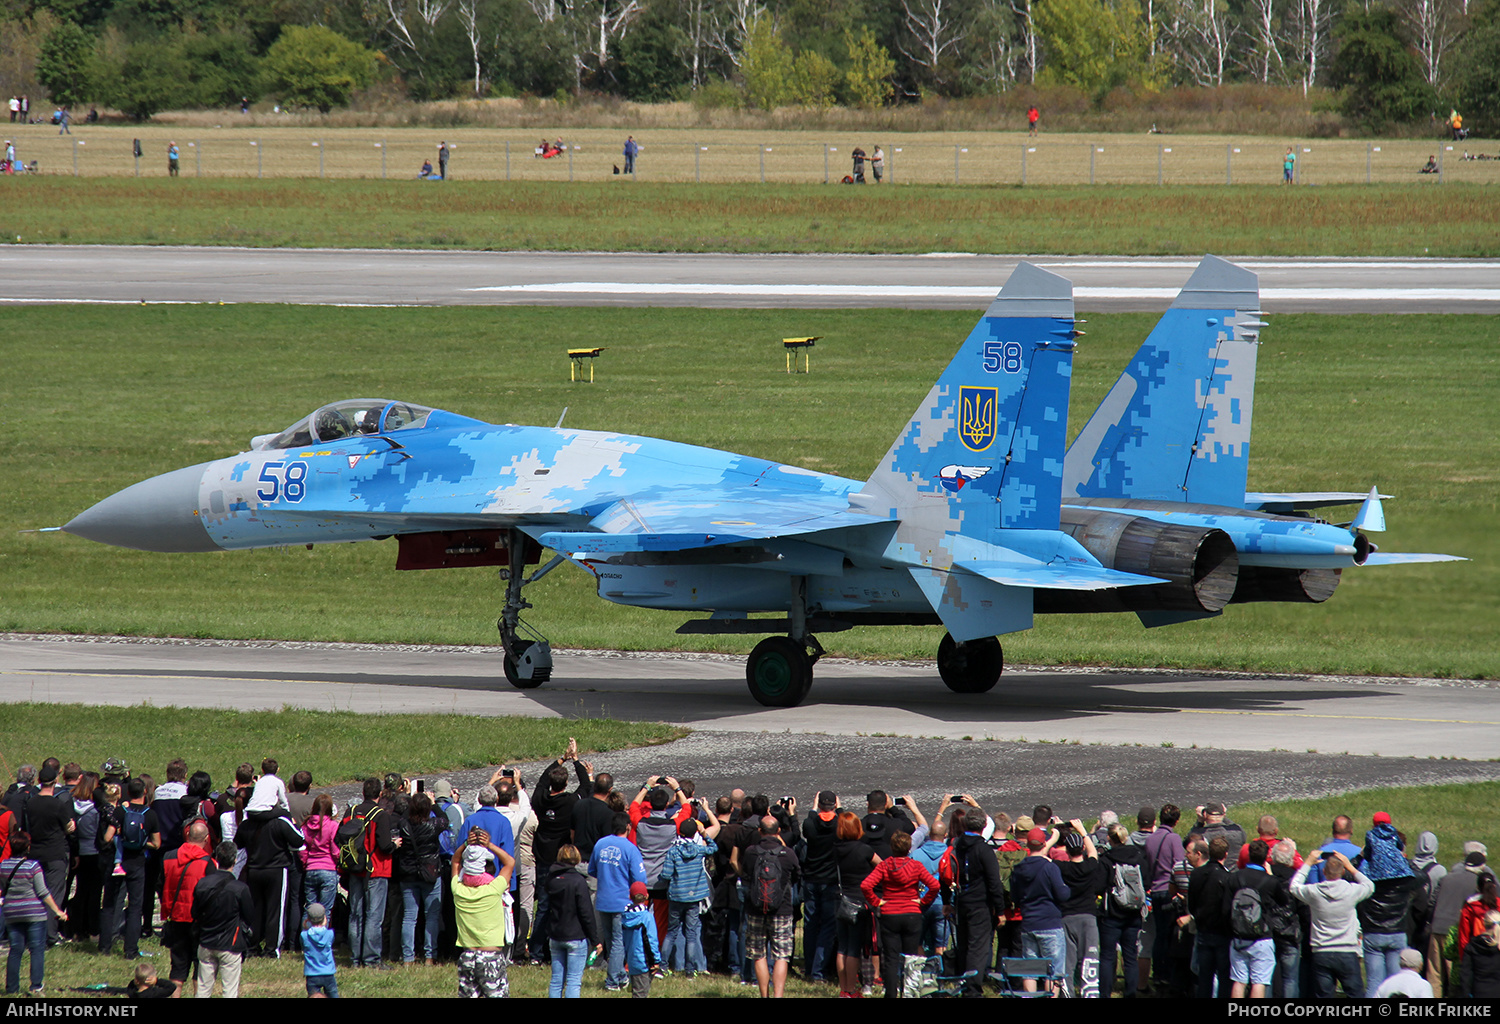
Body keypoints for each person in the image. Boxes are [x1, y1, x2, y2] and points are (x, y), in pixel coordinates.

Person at [860, 829, 937, 997]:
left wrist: (877, 902)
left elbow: (866, 885)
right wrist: (923, 901)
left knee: (891, 957)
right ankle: (910, 992)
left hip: (890, 913)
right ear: (909, 848)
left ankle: (891, 993)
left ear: (892, 848)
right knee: (911, 957)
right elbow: (934, 885)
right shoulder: (915, 865)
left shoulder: (885, 865)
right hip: (911, 913)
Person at [1290, 848, 1374, 997]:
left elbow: (1294, 886)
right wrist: (1351, 867)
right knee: (1356, 994)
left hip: (1322, 951)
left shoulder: (1314, 892)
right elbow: (1369, 886)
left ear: (1324, 873)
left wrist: (1308, 863)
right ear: (1342, 872)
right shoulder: (1351, 890)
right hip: (1347, 951)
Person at [942, 806, 1005, 997]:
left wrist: (947, 901)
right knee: (977, 948)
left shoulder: (955, 845)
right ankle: (972, 989)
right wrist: (1000, 910)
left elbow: (945, 873)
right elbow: (994, 882)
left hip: (961, 902)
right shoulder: (984, 849)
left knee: (964, 945)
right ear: (984, 826)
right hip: (980, 904)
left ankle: (962, 982)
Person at [2, 832, 69, 995]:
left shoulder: (3, 865)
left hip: (12, 912)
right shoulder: (33, 866)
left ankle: (11, 988)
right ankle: (36, 986)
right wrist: (57, 911)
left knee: (15, 949)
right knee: (36, 949)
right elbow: (43, 892)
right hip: (34, 913)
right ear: (28, 848)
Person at [452, 829, 516, 997]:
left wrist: (466, 845)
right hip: (490, 957)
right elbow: (509, 862)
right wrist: (490, 845)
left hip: (467, 956)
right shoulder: (494, 889)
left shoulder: (458, 890)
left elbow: (455, 862)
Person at [741, 816, 800, 998]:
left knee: (759, 954)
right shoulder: (787, 853)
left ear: (760, 831)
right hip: (781, 909)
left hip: (755, 907)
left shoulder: (751, 852)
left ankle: (764, 994)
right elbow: (797, 875)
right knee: (781, 955)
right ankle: (778, 995)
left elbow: (745, 875)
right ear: (779, 831)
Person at [193, 841, 255, 998]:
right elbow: (249, 917)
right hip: (230, 944)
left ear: (216, 859)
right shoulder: (240, 888)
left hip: (206, 941)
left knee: (202, 989)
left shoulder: (202, 883)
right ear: (235, 860)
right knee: (229, 990)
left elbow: (195, 912)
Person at [1226, 838, 1286, 998]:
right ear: (1266, 857)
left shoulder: (1234, 878)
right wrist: (1272, 875)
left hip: (1238, 936)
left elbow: (1226, 906)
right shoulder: (1270, 881)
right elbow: (1284, 900)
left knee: (1239, 981)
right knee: (1259, 982)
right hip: (1262, 936)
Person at [660, 815, 718, 975]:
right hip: (694, 897)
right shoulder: (699, 850)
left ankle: (663, 966)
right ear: (695, 834)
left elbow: (666, 874)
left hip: (677, 895)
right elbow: (714, 848)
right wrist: (705, 833)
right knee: (692, 934)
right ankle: (690, 970)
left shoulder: (673, 851)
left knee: (671, 932)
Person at [161, 820, 214, 994]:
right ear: (206, 839)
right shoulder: (208, 862)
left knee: (178, 965)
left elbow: (160, 884)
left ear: (187, 835)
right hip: (198, 918)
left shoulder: (169, 857)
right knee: (200, 965)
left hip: (175, 915)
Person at [1098, 822, 1148, 999]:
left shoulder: (1106, 859)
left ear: (1110, 839)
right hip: (1134, 913)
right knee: (1130, 956)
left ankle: (1105, 993)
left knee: (1107, 956)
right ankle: (1130, 993)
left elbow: (1099, 885)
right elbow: (1146, 882)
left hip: (1112, 914)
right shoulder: (1138, 857)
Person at [831, 809, 878, 997]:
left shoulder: (836, 849)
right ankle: (851, 989)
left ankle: (844, 988)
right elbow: (881, 866)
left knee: (842, 945)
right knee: (854, 947)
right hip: (859, 901)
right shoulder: (864, 849)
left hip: (841, 900)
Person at [396, 790, 446, 964]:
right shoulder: (433, 825)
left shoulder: (404, 825)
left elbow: (400, 818)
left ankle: (408, 957)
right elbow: (445, 820)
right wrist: (433, 804)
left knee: (409, 917)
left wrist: (410, 802)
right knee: (431, 916)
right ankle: (430, 956)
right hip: (430, 872)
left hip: (408, 873)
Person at [545, 843, 600, 998]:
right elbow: (586, 912)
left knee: (556, 980)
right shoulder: (578, 881)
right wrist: (595, 940)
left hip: (556, 934)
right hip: (575, 935)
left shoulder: (551, 879)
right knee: (574, 981)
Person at [623, 880, 663, 997]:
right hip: (644, 962)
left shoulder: (625, 916)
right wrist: (655, 960)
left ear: (630, 897)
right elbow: (650, 941)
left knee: (637, 990)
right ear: (647, 896)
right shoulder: (647, 917)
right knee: (641, 993)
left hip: (631, 960)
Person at [1456, 909, 1500, 998]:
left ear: (1484, 923)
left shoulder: (1472, 946)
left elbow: (1465, 975)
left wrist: (1466, 994)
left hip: (1478, 992)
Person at [301, 902, 337, 997]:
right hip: (328, 972)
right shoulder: (330, 934)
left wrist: (306, 927)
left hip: (311, 973)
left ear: (308, 919)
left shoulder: (304, 935)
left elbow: (303, 944)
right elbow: (326, 934)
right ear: (325, 918)